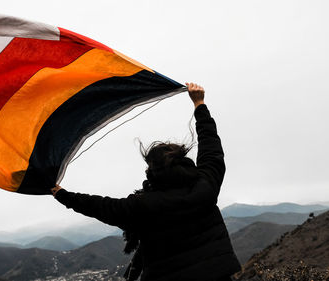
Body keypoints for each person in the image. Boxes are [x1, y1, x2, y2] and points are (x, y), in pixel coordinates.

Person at [50, 83, 241, 281]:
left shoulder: (142, 205)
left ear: (153, 172)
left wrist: (62, 195)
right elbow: (211, 148)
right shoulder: (205, 185)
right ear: (182, 162)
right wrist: (199, 104)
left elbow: (101, 207)